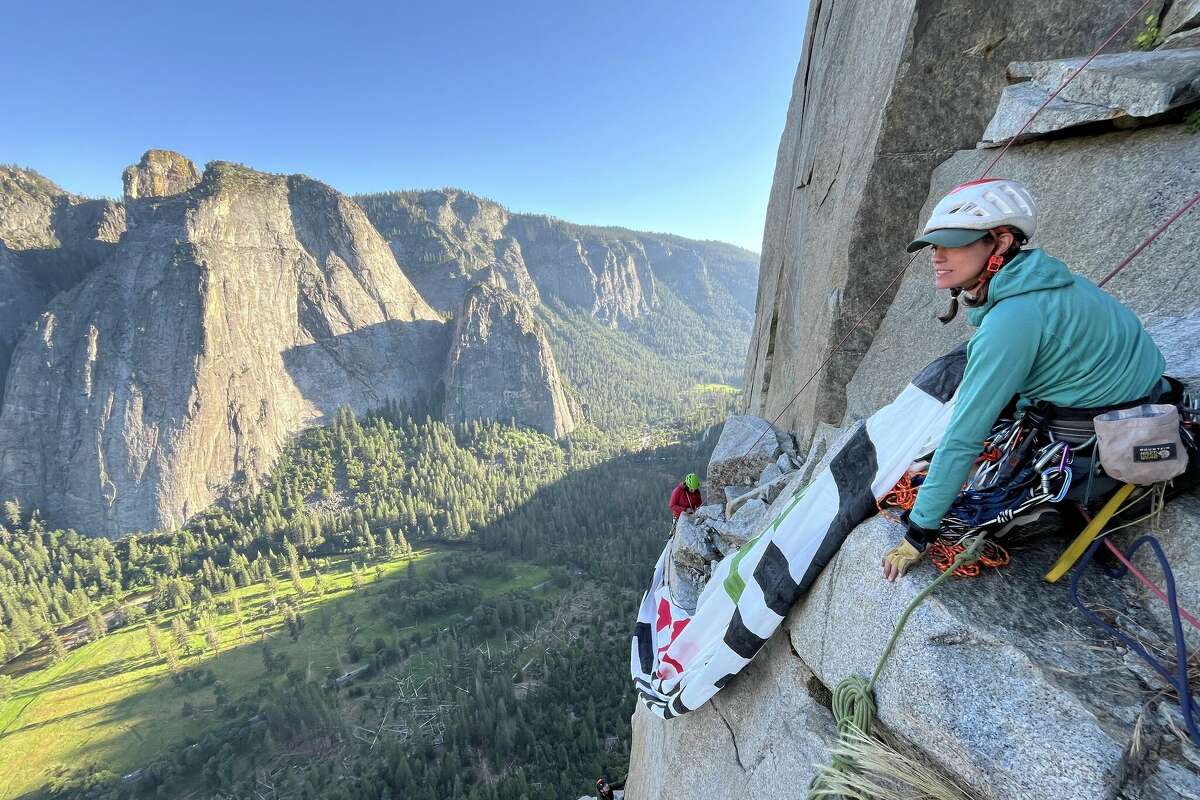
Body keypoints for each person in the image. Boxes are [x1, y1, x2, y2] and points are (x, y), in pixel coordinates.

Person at [882, 178, 1172, 581]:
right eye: (935, 245)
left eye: (953, 242)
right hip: (1146, 396)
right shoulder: (1047, 279)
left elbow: (965, 436)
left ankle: (1075, 508)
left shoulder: (1011, 321)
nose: (938, 255)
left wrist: (919, 531)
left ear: (999, 243)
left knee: (984, 495)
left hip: (1099, 440)